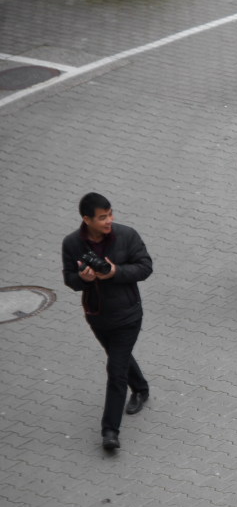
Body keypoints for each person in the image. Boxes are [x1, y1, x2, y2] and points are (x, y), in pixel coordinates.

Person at [61, 193, 153, 452]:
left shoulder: (127, 236)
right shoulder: (72, 244)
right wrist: (84, 280)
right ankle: (141, 388)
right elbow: (69, 279)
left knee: (115, 370)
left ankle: (110, 431)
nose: (109, 220)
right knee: (118, 357)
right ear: (86, 219)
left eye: (110, 214)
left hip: (128, 316)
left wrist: (115, 272)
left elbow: (145, 267)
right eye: (102, 217)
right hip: (97, 316)